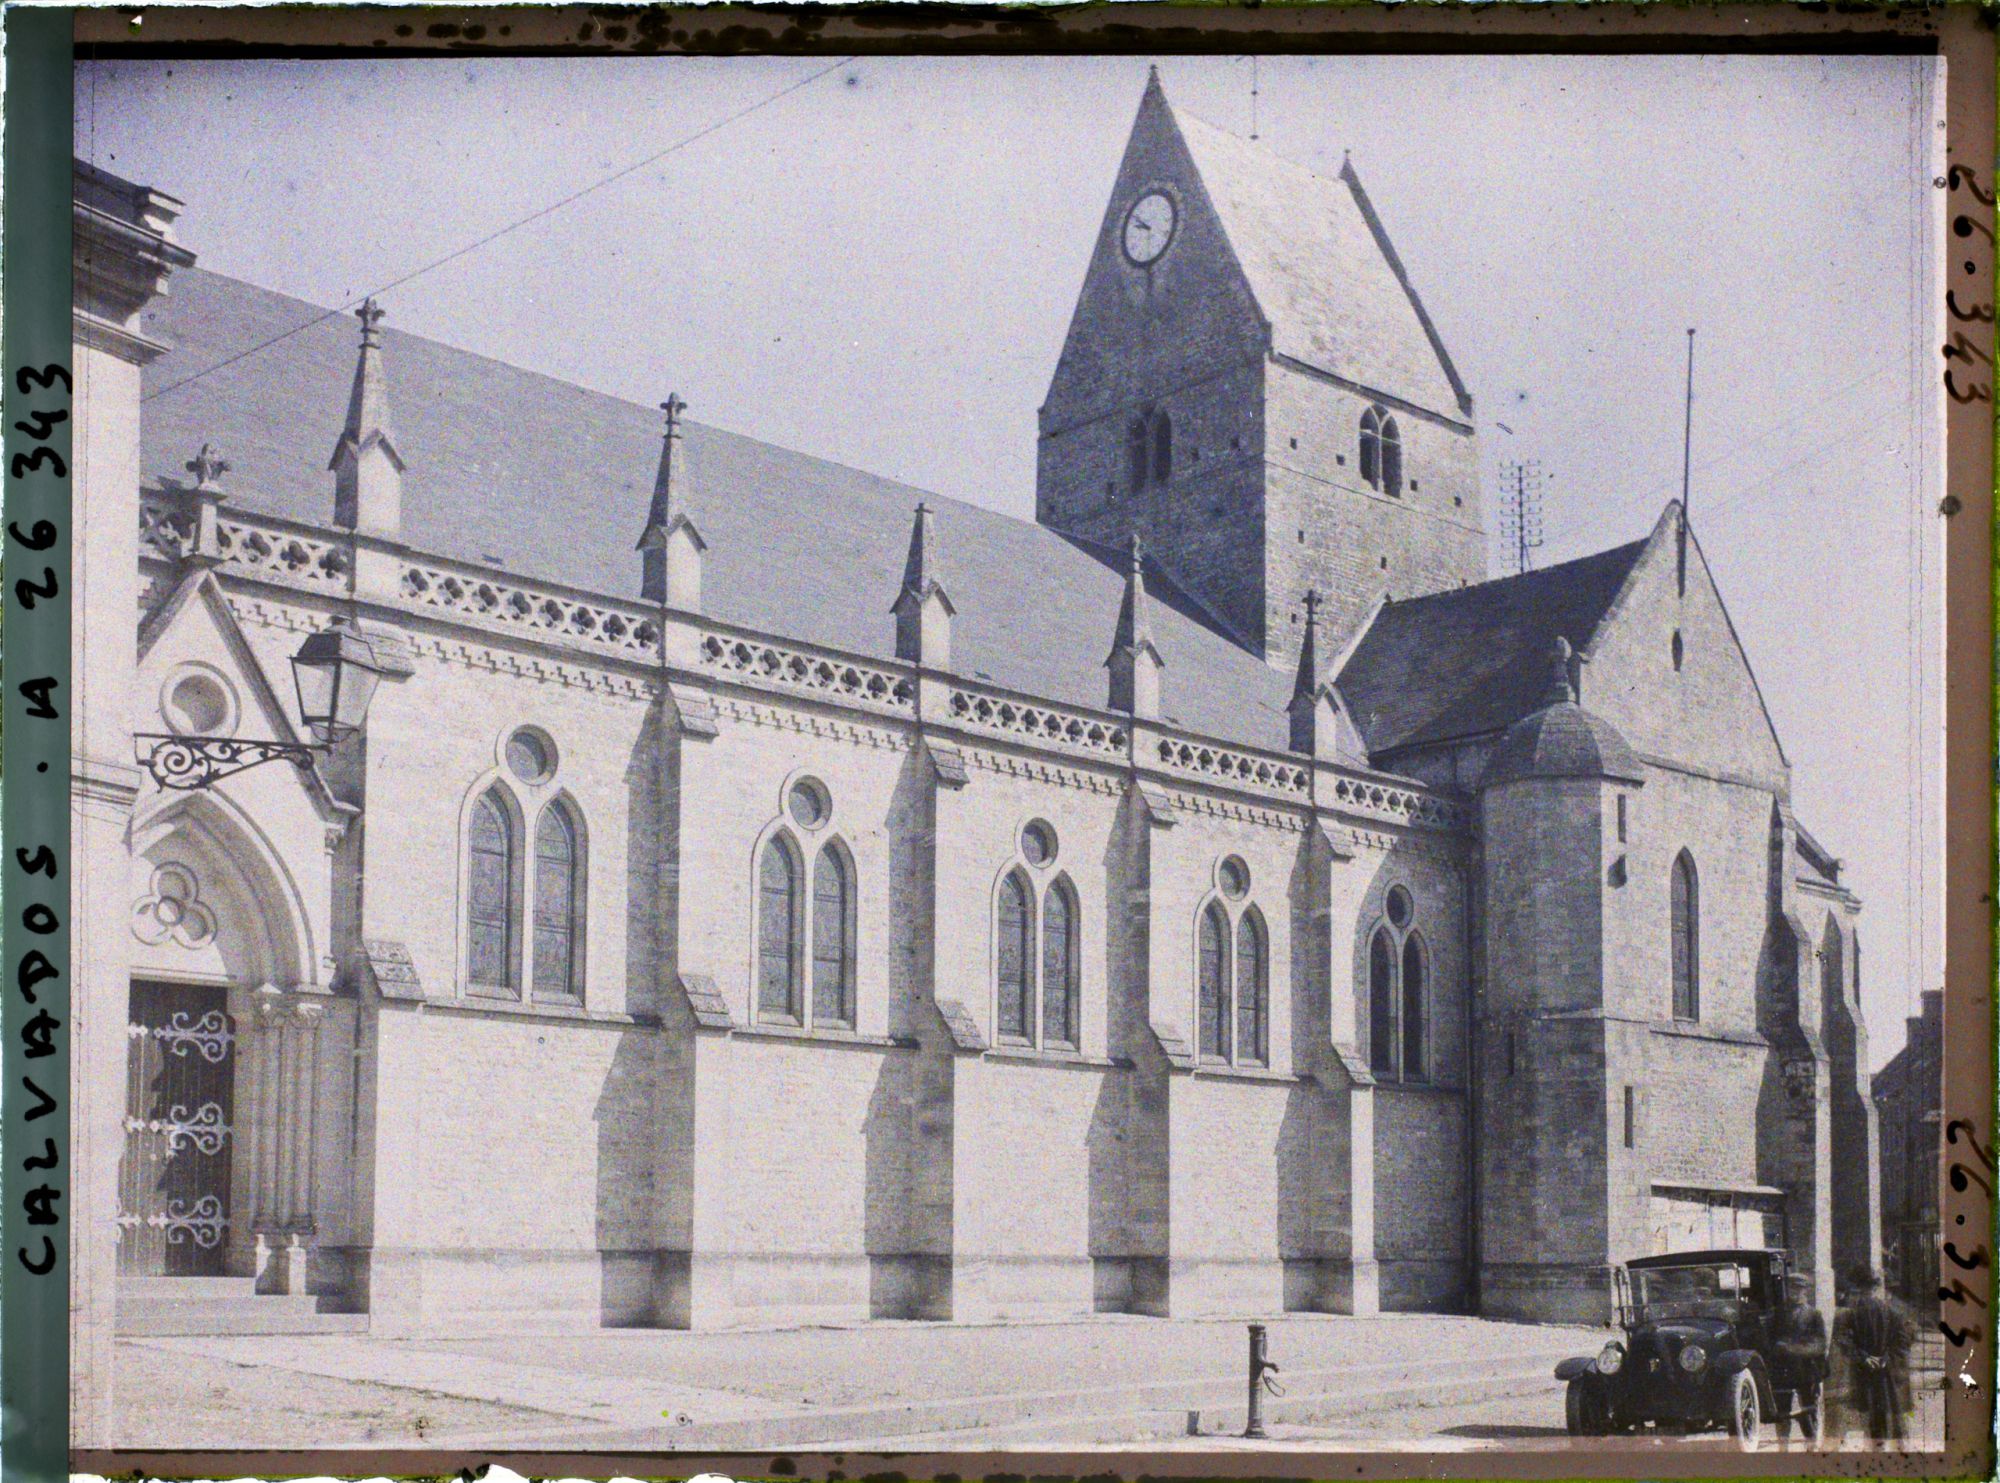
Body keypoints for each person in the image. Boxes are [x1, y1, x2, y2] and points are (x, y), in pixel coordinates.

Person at [1832, 1263, 1912, 1442]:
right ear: (1876, 1288)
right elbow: (1903, 1340)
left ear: (1857, 1289)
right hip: (1886, 1374)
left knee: (1865, 1419)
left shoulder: (1848, 1314)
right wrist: (1886, 1358)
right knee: (1888, 1417)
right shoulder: (1893, 1312)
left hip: (1861, 1373)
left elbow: (1843, 1340)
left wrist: (1864, 1357)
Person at [1770, 1271, 1828, 1441]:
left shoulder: (1813, 1315)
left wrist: (1795, 1350)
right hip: (1783, 1370)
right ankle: (1783, 1449)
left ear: (1806, 1292)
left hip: (1806, 1370)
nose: (1794, 1294)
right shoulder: (1778, 1313)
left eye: (1799, 1290)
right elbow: (1771, 1339)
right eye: (1791, 1290)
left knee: (1808, 1410)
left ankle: (1811, 1446)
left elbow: (1820, 1344)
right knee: (1782, 1411)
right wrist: (1778, 1347)